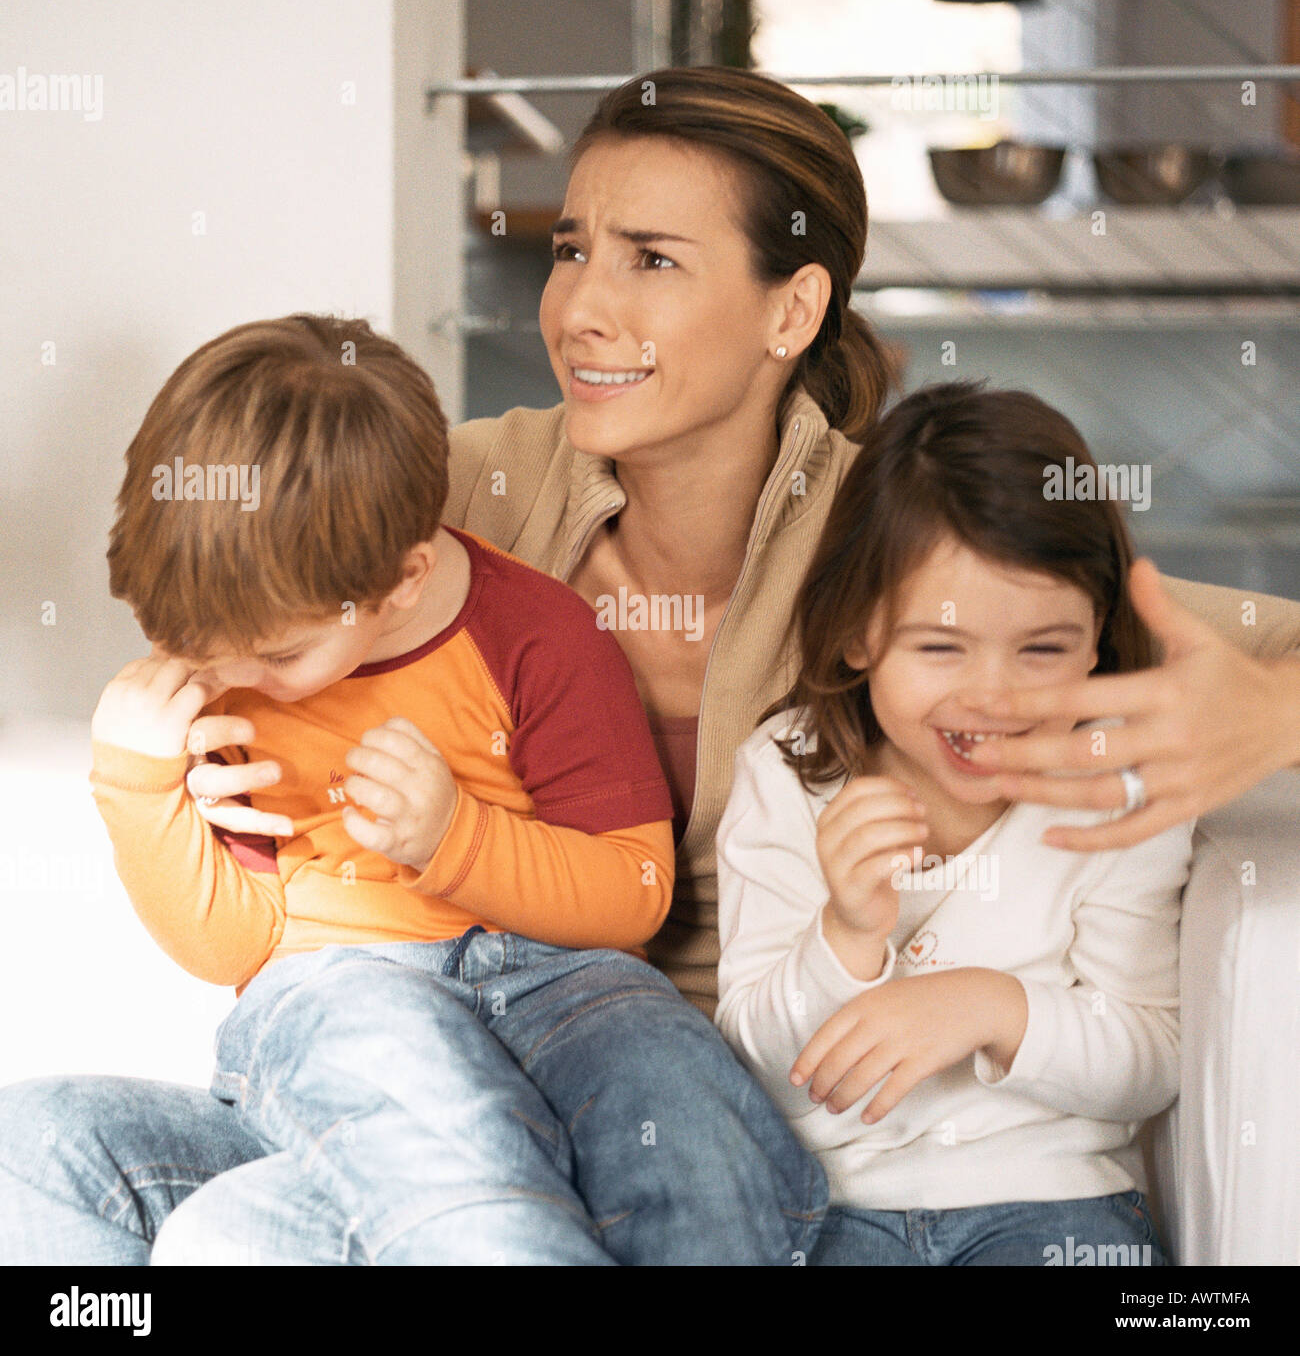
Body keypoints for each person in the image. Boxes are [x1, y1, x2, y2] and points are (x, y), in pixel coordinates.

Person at [3, 65, 1298, 1265]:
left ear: (792, 307)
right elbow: (230, 584)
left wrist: (1264, 715)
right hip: (422, 1061)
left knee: (252, 1235)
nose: (580, 306)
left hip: (701, 1119)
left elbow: (1202, 640)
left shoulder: (905, 546)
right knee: (45, 1146)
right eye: (571, 248)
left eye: (651, 259)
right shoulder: (457, 487)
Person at [0, 312, 821, 1266]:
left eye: (279, 654)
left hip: (558, 984)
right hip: (338, 999)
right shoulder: (222, 673)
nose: (234, 677)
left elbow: (633, 898)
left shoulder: (540, 633)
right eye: (197, 647)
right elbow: (238, 944)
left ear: (401, 581)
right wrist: (140, 785)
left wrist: (454, 840)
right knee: (33, 1144)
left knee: (673, 1087)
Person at [716, 380, 1192, 1266]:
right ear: (859, 633)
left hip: (1055, 1209)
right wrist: (847, 936)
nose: (994, 696)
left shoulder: (1124, 787)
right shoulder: (785, 774)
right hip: (836, 1216)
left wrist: (989, 1008)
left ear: (1098, 640)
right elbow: (759, 1064)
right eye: (941, 646)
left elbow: (1151, 1059)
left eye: (1043, 649)